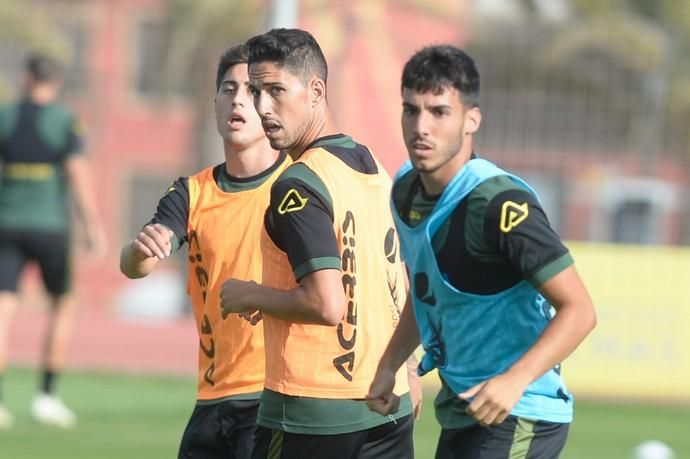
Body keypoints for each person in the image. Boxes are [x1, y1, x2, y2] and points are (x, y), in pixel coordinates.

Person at [366, 45, 597, 459]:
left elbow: (580, 310)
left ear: (472, 119)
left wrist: (514, 379)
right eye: (410, 110)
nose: (421, 126)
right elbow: (426, 295)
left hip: (521, 410)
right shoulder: (404, 190)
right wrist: (389, 364)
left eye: (439, 112)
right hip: (463, 406)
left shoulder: (498, 204)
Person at [219, 28, 420, 459]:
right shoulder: (370, 167)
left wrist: (248, 294)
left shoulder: (299, 184)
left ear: (316, 91)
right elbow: (396, 280)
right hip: (390, 407)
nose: (262, 107)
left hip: (314, 412)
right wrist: (409, 370)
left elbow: (327, 304)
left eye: (276, 90)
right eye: (256, 91)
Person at [120, 44, 289, 458]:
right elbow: (134, 263)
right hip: (212, 398)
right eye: (228, 89)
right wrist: (141, 250)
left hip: (274, 397)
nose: (237, 100)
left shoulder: (299, 186)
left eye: (251, 91)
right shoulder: (191, 192)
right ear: (214, 103)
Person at [0, 53, 105, 429]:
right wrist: (93, 226)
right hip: (50, 228)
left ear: (27, 78)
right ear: (56, 82)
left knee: (4, 309)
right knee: (62, 304)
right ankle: (46, 397)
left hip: (6, 225)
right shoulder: (65, 121)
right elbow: (77, 172)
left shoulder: (5, 116)